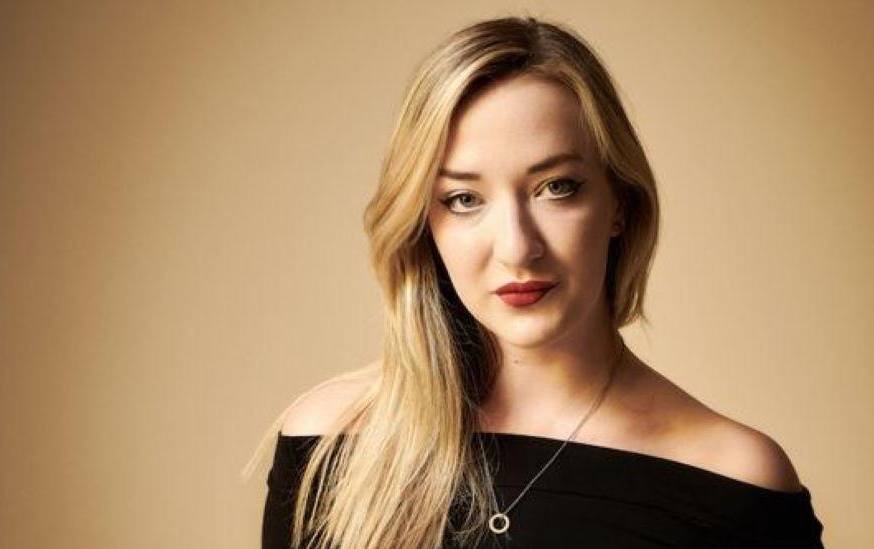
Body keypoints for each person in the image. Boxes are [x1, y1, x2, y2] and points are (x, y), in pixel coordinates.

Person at [247, 15, 825, 549]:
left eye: (556, 187)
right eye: (464, 199)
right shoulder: (333, 442)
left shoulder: (736, 485)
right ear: (426, 224)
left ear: (618, 201)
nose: (518, 247)